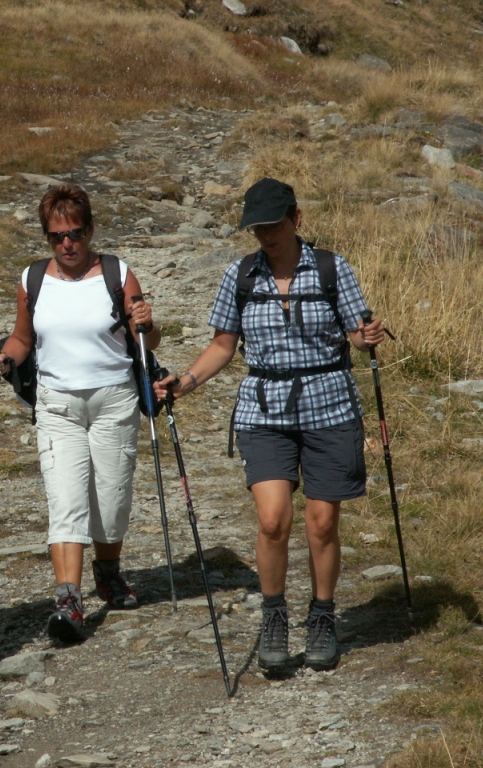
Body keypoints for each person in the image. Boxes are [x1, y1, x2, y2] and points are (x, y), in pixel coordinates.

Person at [154, 177, 384, 673]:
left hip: (330, 407)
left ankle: (322, 616)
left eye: (273, 224)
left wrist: (367, 337)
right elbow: (222, 344)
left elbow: (357, 337)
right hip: (264, 411)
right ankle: (274, 616)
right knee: (272, 518)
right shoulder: (241, 276)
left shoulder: (330, 268)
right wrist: (184, 383)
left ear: (295, 218)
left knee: (322, 522)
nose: (265, 235)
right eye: (256, 227)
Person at [0, 183, 161, 644]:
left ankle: (108, 572)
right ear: (46, 237)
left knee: (113, 498)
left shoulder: (117, 274)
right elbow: (24, 339)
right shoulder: (33, 280)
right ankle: (69, 599)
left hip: (115, 399)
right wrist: (6, 355)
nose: (67, 244)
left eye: (75, 234)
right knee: (65, 499)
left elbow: (147, 340)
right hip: (57, 404)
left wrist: (147, 324)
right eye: (57, 236)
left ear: (90, 230)